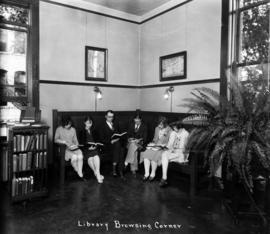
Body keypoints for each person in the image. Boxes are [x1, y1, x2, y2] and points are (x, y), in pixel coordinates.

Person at [140, 116, 172, 182]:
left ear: (165, 124)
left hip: (164, 148)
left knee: (154, 155)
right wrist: (152, 143)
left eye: (161, 124)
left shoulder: (169, 130)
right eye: (159, 124)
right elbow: (155, 139)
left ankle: (152, 174)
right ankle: (146, 174)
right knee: (146, 153)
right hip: (156, 146)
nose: (159, 126)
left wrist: (164, 135)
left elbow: (170, 142)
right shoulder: (156, 128)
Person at [54, 116, 85, 180]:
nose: (68, 126)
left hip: (72, 147)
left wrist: (76, 145)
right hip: (64, 149)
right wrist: (64, 142)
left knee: (80, 155)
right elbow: (56, 140)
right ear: (63, 124)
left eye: (69, 124)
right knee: (74, 157)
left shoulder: (73, 129)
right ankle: (80, 173)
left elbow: (75, 140)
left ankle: (79, 172)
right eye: (67, 124)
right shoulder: (59, 129)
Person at [159, 122, 189, 187]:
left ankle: (164, 179)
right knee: (164, 154)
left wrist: (177, 150)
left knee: (165, 159)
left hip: (181, 153)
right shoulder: (173, 133)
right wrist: (167, 147)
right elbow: (170, 144)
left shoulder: (186, 134)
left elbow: (186, 148)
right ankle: (164, 177)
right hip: (173, 152)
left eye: (175, 128)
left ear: (180, 128)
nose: (174, 129)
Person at [99, 110, 125, 179]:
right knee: (120, 148)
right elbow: (101, 139)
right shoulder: (102, 125)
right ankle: (120, 170)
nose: (111, 118)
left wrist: (118, 138)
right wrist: (110, 141)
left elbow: (117, 134)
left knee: (120, 148)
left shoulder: (115, 124)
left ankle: (115, 168)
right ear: (105, 117)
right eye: (109, 117)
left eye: (112, 117)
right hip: (106, 145)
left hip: (115, 144)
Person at [81, 116, 104, 183]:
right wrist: (88, 147)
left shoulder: (94, 131)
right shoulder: (82, 131)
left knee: (96, 157)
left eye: (90, 123)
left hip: (94, 149)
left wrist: (96, 146)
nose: (89, 125)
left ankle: (97, 173)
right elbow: (81, 143)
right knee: (90, 158)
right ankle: (98, 175)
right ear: (84, 123)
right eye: (87, 123)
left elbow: (98, 141)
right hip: (86, 149)